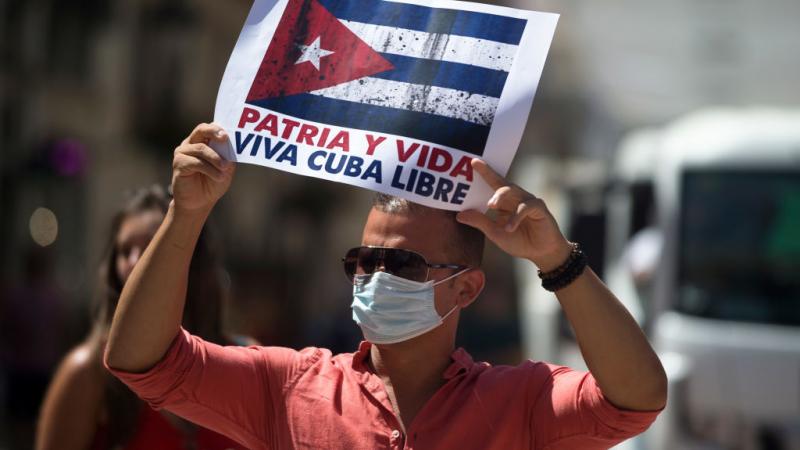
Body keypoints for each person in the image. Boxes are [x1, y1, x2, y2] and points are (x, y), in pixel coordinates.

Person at [105, 124, 667, 449]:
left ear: (466, 289)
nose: (374, 277)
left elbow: (636, 399)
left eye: (401, 263)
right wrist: (186, 213)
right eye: (363, 260)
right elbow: (141, 360)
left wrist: (555, 260)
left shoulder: (519, 402)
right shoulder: (289, 388)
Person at [36, 185, 250, 450]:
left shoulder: (243, 362)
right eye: (125, 251)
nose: (135, 262)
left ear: (195, 259)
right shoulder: (86, 374)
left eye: (152, 246)